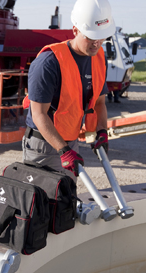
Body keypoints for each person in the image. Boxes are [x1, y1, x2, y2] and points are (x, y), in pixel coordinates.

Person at [22, 0, 115, 182]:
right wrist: (63, 150)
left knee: (65, 199)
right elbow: (39, 115)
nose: (96, 44)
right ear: (75, 30)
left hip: (71, 141)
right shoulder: (49, 63)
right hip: (44, 144)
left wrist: (102, 130)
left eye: (101, 37)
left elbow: (99, 102)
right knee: (42, 202)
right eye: (90, 37)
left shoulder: (98, 57)